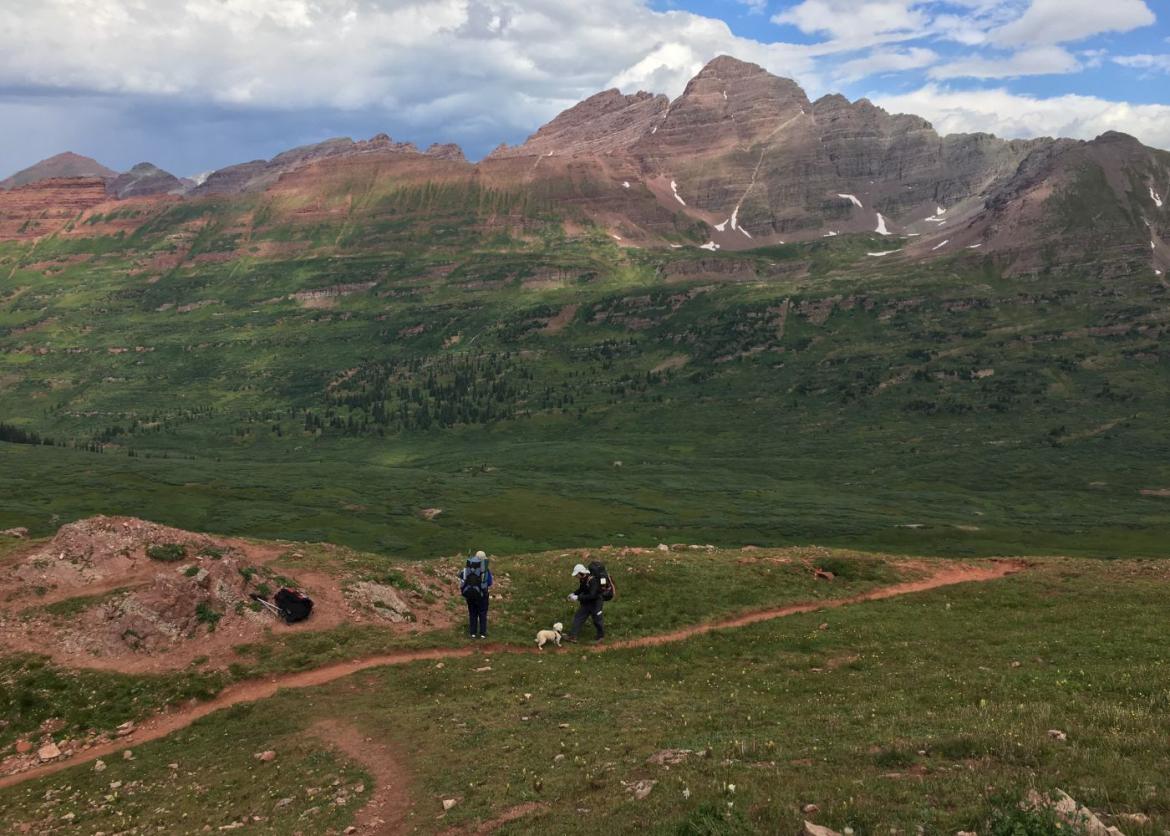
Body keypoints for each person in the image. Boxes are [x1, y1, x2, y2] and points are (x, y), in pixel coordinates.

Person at [565, 562, 604, 643]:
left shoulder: (592, 580)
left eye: (576, 574)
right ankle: (573, 636)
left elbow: (592, 595)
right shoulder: (583, 579)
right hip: (587, 602)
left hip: (596, 602)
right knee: (578, 617)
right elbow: (581, 589)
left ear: (581, 573)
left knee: (597, 620)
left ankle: (600, 637)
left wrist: (578, 597)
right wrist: (574, 593)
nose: (576, 576)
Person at [459, 550, 493, 639]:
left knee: (472, 613)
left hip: (469, 594)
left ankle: (472, 633)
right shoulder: (485, 570)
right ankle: (482, 634)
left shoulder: (467, 568)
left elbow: (461, 576)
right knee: (482, 613)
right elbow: (489, 582)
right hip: (482, 595)